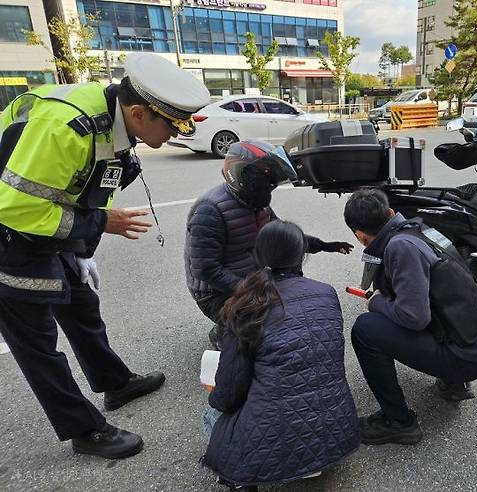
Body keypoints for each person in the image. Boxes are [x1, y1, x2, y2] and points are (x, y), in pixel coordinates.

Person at [0, 53, 210, 459]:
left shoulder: (114, 125)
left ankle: (115, 383)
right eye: (171, 126)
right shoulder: (66, 129)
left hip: (47, 218)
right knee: (37, 340)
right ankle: (83, 431)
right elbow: (15, 208)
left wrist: (81, 250)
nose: (175, 135)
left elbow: (94, 188)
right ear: (137, 113)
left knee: (81, 306)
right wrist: (97, 224)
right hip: (10, 229)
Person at [202, 220, 360, 487]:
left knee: (210, 414)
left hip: (273, 447)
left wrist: (215, 396)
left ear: (258, 256)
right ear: (302, 256)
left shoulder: (245, 305)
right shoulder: (326, 293)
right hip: (337, 434)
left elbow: (227, 397)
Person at [343, 189, 477, 445]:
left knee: (365, 329)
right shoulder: (417, 228)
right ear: (391, 213)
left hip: (468, 357)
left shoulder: (400, 247)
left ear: (360, 236)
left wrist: (376, 302)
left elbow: (414, 318)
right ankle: (454, 383)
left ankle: (398, 422)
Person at [184, 140, 353, 350]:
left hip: (250, 278)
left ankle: (241, 320)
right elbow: (205, 269)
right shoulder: (210, 211)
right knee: (261, 333)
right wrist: (251, 292)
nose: (270, 186)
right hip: (215, 293)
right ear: (241, 174)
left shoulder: (257, 203)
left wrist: (324, 245)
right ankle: (225, 331)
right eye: (266, 179)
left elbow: (282, 237)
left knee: (290, 307)